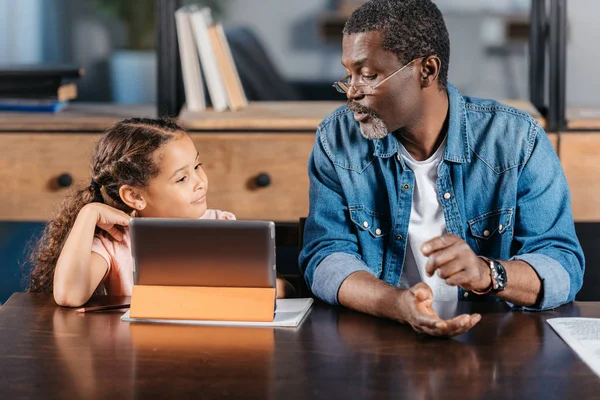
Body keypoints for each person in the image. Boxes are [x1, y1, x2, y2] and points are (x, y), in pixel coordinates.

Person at [299, 0, 584, 337]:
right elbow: (326, 257)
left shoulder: (516, 140)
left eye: (369, 75)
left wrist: (486, 273)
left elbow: (563, 266)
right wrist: (398, 304)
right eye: (349, 75)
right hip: (379, 343)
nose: (352, 93)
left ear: (427, 71)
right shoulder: (337, 139)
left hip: (491, 346)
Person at [28, 117, 293, 306]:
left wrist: (278, 288)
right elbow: (69, 296)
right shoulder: (115, 243)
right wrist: (88, 215)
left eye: (197, 166)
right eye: (182, 179)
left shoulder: (222, 227)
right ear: (134, 196)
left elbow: (278, 290)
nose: (200, 182)